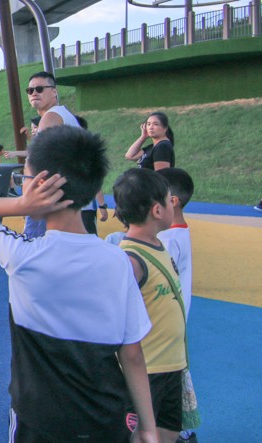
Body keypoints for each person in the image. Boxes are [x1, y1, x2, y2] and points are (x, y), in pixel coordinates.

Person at [0, 126, 158, 443]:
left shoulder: (22, 255)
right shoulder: (118, 262)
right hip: (103, 417)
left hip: (37, 418)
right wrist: (148, 428)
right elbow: (132, 354)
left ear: (39, 186)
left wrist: (20, 206)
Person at [114, 168, 186, 443]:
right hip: (146, 372)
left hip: (171, 366)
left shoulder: (158, 245)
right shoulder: (130, 260)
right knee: (139, 436)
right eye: (170, 201)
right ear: (157, 210)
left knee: (168, 431)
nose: (173, 204)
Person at [2, 72, 80, 237]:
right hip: (65, 196)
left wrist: (27, 191)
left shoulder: (52, 116)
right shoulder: (64, 115)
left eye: (39, 88)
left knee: (35, 250)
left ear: (54, 92)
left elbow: (37, 158)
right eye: (30, 90)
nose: (34, 93)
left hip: (46, 197)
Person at [157, 168, 201, 441]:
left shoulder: (168, 239)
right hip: (175, 319)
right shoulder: (177, 232)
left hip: (165, 321)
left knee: (164, 377)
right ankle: (179, 429)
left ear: (171, 201)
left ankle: (175, 431)